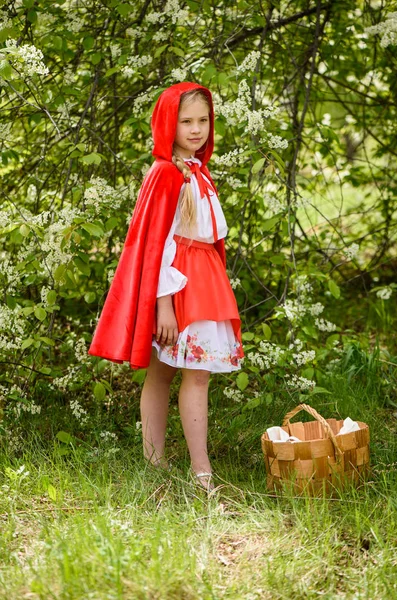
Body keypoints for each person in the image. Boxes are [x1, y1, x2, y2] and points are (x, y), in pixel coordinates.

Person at [88, 82, 245, 493]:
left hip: (205, 279)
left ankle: (191, 469)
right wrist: (163, 305)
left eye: (203, 121)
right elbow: (157, 245)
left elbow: (209, 235)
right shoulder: (166, 173)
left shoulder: (198, 170)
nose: (196, 129)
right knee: (177, 374)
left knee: (188, 373)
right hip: (178, 286)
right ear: (167, 125)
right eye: (186, 121)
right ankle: (184, 470)